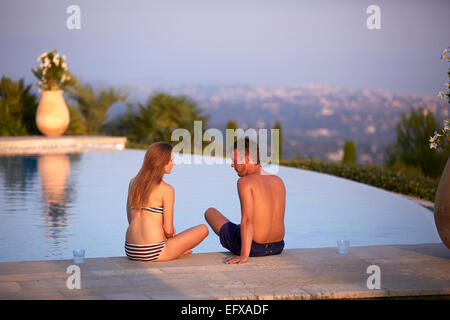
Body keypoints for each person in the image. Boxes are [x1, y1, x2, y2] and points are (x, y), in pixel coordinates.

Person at [205, 137, 286, 264]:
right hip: (278, 247)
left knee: (210, 212)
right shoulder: (278, 181)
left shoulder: (245, 182)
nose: (232, 165)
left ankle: (245, 248)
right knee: (240, 227)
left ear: (248, 159)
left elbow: (247, 220)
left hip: (255, 248)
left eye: (235, 161)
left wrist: (244, 255)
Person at [125, 142, 209, 262]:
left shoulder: (133, 183)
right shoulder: (167, 189)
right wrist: (174, 241)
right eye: (171, 160)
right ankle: (176, 252)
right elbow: (168, 231)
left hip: (131, 249)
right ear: (161, 162)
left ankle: (174, 251)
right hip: (153, 251)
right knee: (203, 229)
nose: (173, 163)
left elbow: (130, 220)